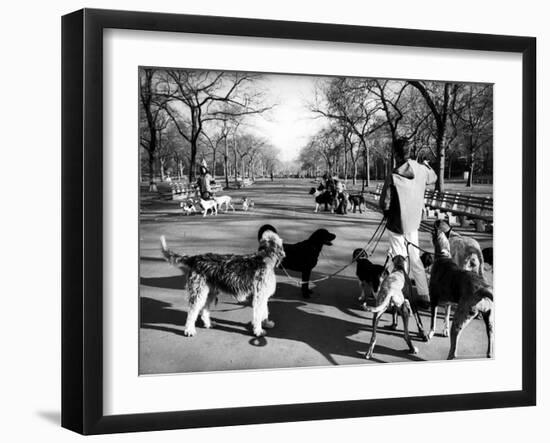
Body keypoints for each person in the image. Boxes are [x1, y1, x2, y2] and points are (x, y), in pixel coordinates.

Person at [379, 137, 437, 307]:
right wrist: (425, 164)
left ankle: (399, 299)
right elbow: (433, 178)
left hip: (396, 223)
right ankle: (424, 295)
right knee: (415, 258)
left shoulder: (394, 174)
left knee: (398, 260)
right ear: (410, 150)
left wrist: (386, 211)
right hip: (414, 222)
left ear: (395, 153)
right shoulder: (421, 169)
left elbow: (384, 203)